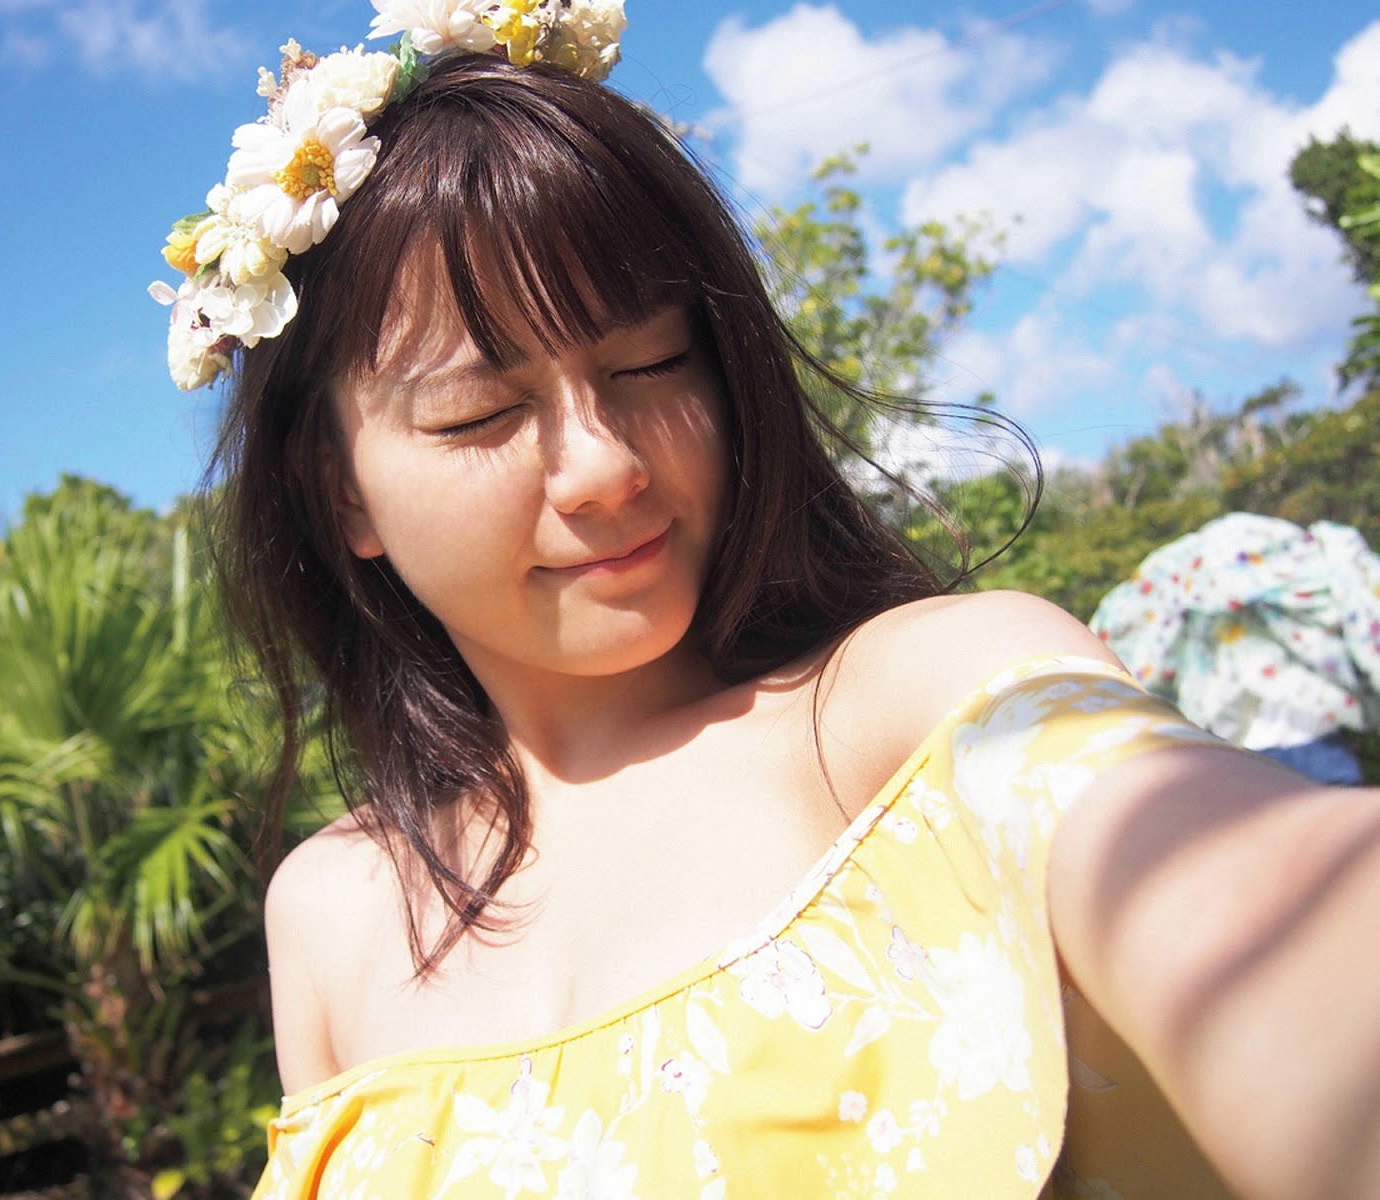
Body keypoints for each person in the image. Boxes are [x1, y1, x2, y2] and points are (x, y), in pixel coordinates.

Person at [152, 5, 1380, 1196]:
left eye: (650, 362)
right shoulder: (332, 912)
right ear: (342, 492)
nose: (605, 466)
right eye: (479, 414)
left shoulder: (915, 710)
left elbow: (1263, 901)